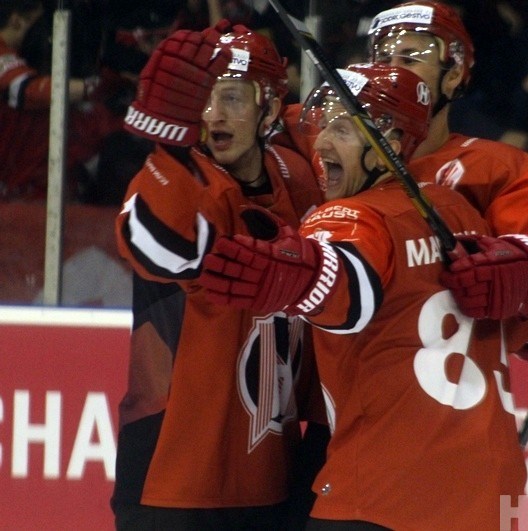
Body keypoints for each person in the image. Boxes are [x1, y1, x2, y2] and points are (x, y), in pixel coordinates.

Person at [199, 62, 527, 531]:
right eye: (322, 127)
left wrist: (298, 277)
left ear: (389, 143)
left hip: (383, 494)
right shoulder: (460, 212)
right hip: (488, 495)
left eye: (341, 129)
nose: (320, 145)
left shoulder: (349, 216)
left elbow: (349, 288)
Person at [112, 22, 325, 530]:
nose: (212, 115)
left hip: (271, 478)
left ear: (269, 109)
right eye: (201, 99)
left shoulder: (296, 177)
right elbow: (160, 245)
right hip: (173, 482)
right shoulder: (182, 182)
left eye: (231, 97)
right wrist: (169, 147)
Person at [366, 1, 528, 389]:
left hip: (446, 395)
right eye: (382, 59)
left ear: (452, 76)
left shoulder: (494, 169)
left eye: (410, 59)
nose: (390, 73)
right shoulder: (326, 151)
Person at [0, 0, 104, 200]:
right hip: (14, 194)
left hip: (32, 186)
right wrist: (93, 87)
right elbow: (27, 88)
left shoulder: (19, 56)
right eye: (38, 21)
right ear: (15, 21)